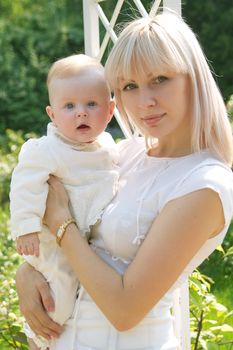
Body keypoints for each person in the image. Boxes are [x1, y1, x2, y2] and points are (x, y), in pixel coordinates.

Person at [15, 10, 233, 350]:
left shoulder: (203, 183)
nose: (145, 102)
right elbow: (85, 241)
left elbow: (125, 309)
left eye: (160, 79)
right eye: (130, 86)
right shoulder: (125, 153)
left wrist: (60, 222)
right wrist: (29, 271)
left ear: (193, 78)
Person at [10, 54, 118, 350]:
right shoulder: (46, 150)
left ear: (110, 110)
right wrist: (27, 228)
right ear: (52, 114)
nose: (80, 113)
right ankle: (38, 340)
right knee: (60, 296)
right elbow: (24, 186)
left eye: (91, 104)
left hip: (80, 242)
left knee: (77, 288)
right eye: (69, 106)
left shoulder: (108, 148)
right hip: (50, 243)